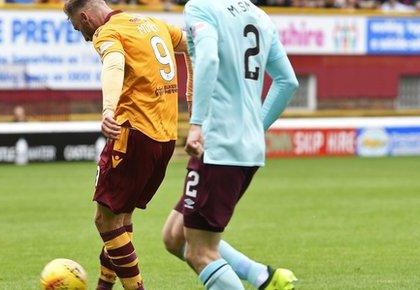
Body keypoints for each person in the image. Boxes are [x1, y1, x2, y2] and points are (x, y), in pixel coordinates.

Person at [161, 0, 300, 289]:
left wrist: (197, 123)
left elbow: (209, 59)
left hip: (218, 144)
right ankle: (263, 276)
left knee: (201, 252)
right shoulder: (259, 14)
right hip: (246, 147)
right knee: (175, 236)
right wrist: (253, 128)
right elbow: (288, 81)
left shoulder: (200, 7)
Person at [63, 0, 191, 289]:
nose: (84, 36)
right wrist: (192, 95)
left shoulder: (107, 32)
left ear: (85, 16)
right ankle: (104, 286)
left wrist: (108, 109)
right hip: (165, 138)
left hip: (132, 134)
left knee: (105, 221)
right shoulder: (153, 25)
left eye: (78, 28)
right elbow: (194, 44)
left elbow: (113, 63)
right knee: (120, 219)